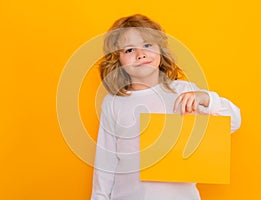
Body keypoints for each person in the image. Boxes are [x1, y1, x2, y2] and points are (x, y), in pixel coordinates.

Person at [90, 14, 241, 200]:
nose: (141, 54)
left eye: (148, 45)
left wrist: (204, 98)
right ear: (117, 59)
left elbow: (234, 121)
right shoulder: (114, 102)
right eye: (129, 50)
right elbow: (105, 162)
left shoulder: (183, 92)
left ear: (161, 51)